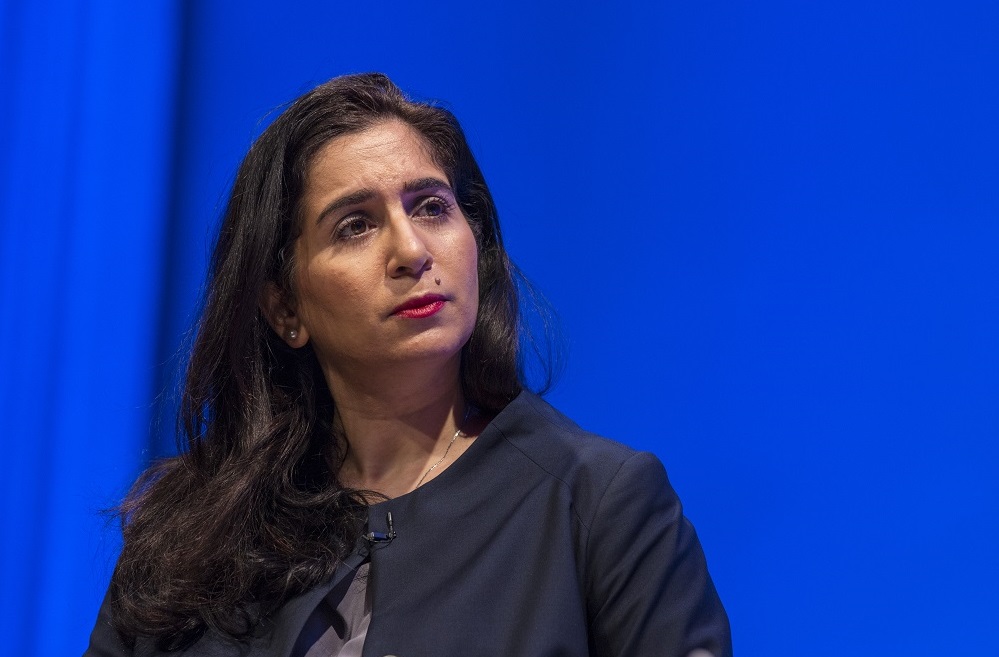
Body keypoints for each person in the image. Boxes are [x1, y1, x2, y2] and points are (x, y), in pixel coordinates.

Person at [84, 73, 731, 657]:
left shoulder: (598, 503)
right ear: (285, 307)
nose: (410, 250)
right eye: (355, 226)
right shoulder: (186, 536)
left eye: (430, 207)